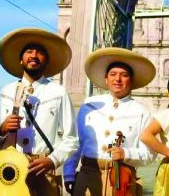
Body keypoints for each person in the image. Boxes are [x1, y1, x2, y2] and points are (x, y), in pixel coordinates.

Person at [0, 28, 79, 196]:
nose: (34, 55)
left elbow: (72, 139)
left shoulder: (58, 93)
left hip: (44, 170)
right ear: (21, 60)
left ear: (47, 61)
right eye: (29, 51)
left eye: (40, 52)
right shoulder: (4, 92)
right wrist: (2, 129)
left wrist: (53, 160)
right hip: (10, 170)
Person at [63, 47, 157, 196]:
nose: (117, 79)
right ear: (106, 79)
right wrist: (69, 173)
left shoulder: (142, 111)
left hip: (122, 179)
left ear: (131, 80)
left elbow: (150, 154)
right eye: (113, 74)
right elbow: (76, 142)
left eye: (124, 75)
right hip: (88, 174)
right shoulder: (89, 105)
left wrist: (126, 153)